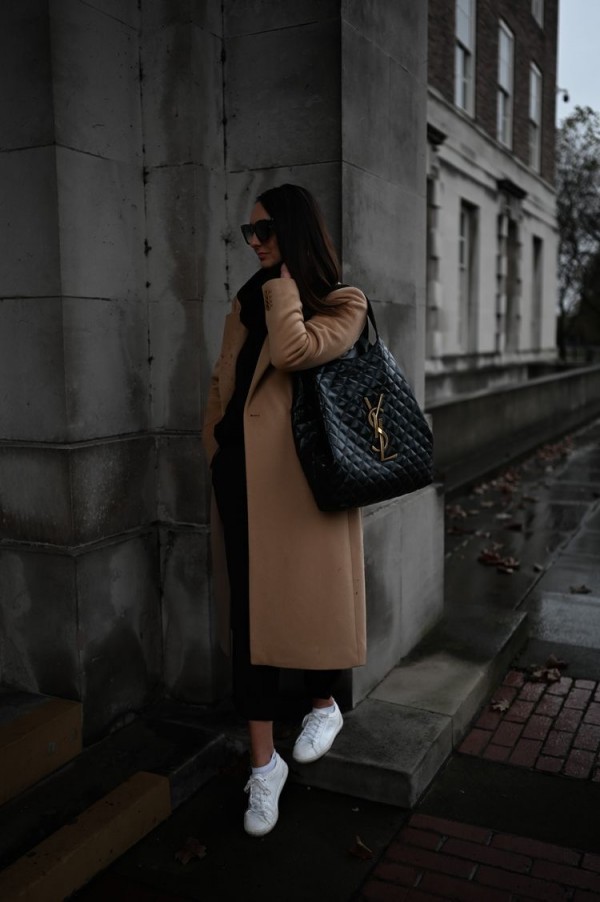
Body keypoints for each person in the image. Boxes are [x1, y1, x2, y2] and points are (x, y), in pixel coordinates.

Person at [202, 184, 368, 836]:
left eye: (265, 231)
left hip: (304, 489)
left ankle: (325, 704)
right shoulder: (247, 300)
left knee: (308, 601)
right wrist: (214, 440)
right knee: (252, 621)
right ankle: (264, 765)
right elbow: (226, 379)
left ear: (295, 232)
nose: (255, 243)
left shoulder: (344, 302)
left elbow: (295, 351)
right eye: (249, 233)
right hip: (241, 480)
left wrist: (285, 287)